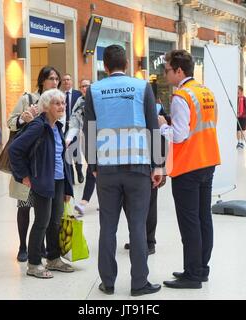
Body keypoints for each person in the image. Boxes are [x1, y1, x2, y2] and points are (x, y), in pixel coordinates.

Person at [83, 44, 163, 296]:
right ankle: (139, 283)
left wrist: (93, 164)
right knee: (137, 226)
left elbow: (89, 130)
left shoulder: (94, 90)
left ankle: (108, 283)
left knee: (107, 226)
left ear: (104, 66)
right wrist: (158, 164)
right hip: (138, 166)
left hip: (106, 168)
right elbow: (153, 127)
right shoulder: (142, 87)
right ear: (126, 64)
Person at [158, 49, 220, 289]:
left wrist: (164, 126)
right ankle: (201, 268)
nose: (165, 75)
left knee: (189, 222)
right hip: (208, 160)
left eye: (167, 70)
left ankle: (192, 274)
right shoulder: (206, 92)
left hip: (188, 166)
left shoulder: (181, 96)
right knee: (204, 217)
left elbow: (180, 135)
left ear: (179, 70)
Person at [9, 89, 74, 278]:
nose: (62, 106)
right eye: (57, 103)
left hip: (58, 180)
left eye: (63, 103)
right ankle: (34, 263)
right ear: (46, 107)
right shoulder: (38, 126)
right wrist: (24, 176)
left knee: (55, 221)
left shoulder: (57, 126)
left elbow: (62, 158)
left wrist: (67, 187)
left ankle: (53, 259)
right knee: (42, 222)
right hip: (43, 180)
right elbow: (15, 150)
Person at [7, 66, 61, 262]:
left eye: (57, 79)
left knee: (44, 209)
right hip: (26, 161)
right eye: (50, 78)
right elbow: (10, 122)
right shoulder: (28, 99)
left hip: (46, 164)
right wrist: (23, 118)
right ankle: (23, 245)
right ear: (42, 80)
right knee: (24, 204)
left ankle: (39, 246)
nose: (54, 82)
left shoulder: (58, 100)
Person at [123, 99, 169, 255]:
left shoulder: (156, 111)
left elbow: (162, 140)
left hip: (149, 166)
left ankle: (149, 242)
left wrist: (161, 167)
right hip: (131, 164)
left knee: (149, 206)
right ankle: (138, 238)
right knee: (130, 205)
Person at [65, 79, 95, 216]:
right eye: (82, 86)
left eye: (87, 86)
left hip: (103, 139)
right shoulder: (79, 103)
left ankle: (83, 201)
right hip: (88, 140)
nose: (84, 88)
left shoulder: (98, 98)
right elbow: (75, 122)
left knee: (93, 169)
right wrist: (69, 138)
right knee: (95, 170)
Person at [61, 73, 84, 184]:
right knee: (67, 152)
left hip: (74, 127)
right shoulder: (59, 95)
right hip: (63, 127)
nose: (66, 81)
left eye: (68, 79)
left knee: (75, 152)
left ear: (71, 82)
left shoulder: (78, 94)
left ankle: (79, 172)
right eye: (64, 80)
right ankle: (71, 177)